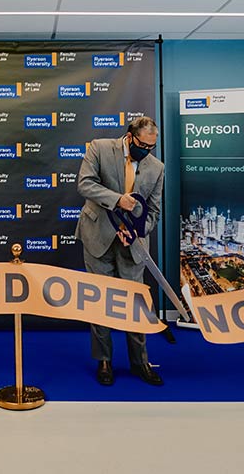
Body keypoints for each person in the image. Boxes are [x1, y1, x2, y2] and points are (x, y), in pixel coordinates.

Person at [75, 116, 165, 386]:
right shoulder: (100, 148)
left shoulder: (157, 168)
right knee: (99, 301)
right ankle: (104, 361)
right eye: (143, 145)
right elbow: (85, 184)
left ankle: (140, 362)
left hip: (132, 245)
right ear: (130, 137)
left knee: (135, 304)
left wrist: (138, 231)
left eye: (152, 146)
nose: (147, 151)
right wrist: (118, 200)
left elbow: (154, 212)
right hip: (97, 237)